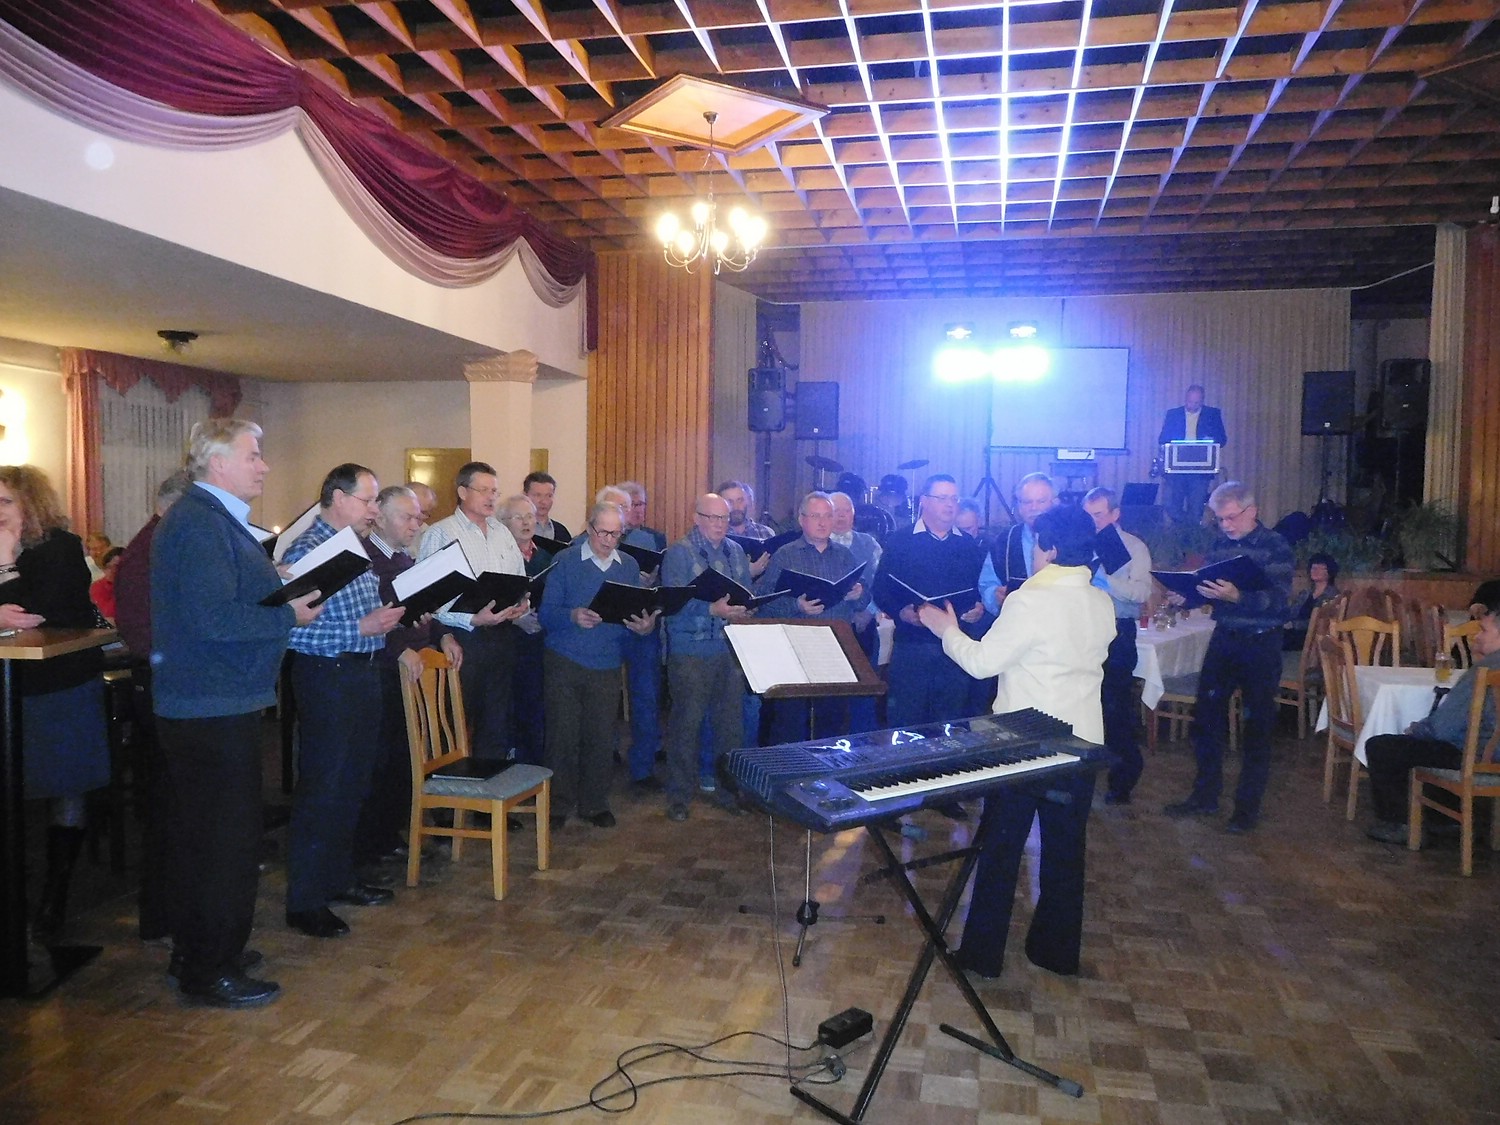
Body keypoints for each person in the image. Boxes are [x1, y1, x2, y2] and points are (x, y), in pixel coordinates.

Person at [152, 419, 322, 1007]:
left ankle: (199, 952)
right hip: (210, 705)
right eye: (254, 455)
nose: (264, 465)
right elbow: (212, 620)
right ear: (218, 462)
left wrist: (273, 582)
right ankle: (211, 968)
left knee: (207, 840)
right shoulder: (200, 523)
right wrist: (288, 615)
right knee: (223, 845)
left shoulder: (210, 519)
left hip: (215, 701)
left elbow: (219, 601)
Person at [916, 505, 1115, 978]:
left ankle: (982, 956)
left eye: (1037, 543)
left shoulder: (1030, 600)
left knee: (1001, 849)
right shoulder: (1099, 601)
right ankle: (1056, 951)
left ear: (1050, 548)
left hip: (1026, 741)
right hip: (1084, 740)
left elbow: (982, 663)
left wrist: (946, 630)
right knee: (1066, 852)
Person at [282, 464, 405, 939]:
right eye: (367, 500)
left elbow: (356, 614)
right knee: (324, 786)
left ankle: (338, 877)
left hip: (361, 672)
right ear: (337, 497)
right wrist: (362, 628)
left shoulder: (354, 546)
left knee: (353, 781)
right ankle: (305, 900)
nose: (374, 509)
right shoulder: (308, 551)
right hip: (327, 676)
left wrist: (385, 620)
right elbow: (295, 631)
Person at [0, 466, 110, 946]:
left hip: (59, 684)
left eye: (5, 501)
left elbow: (30, 615)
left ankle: (55, 897)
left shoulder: (59, 547)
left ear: (32, 503)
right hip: (10, 687)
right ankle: (16, 897)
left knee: (65, 785)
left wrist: (5, 563)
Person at [1163, 481, 1294, 833]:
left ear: (1253, 511)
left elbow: (1280, 602)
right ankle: (1205, 796)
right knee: (1206, 720)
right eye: (1220, 519)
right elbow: (1211, 590)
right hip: (1225, 638)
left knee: (1257, 728)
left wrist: (1239, 597)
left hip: (1261, 643)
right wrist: (1188, 596)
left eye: (1232, 517)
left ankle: (1246, 810)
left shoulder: (1275, 546)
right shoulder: (1220, 545)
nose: (1226, 525)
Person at [357, 485, 463, 874]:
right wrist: (400, 648)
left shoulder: (403, 558)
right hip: (384, 672)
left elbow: (419, 607)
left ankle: (389, 835)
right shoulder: (367, 560)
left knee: (404, 758)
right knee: (381, 761)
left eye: (419, 517)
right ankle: (372, 843)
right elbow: (368, 618)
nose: (416, 524)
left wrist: (443, 634)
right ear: (380, 517)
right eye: (408, 517)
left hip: (413, 671)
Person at [539, 501, 659, 830]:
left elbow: (631, 615)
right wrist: (573, 615)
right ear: (589, 528)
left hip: (607, 661)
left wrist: (644, 626)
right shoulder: (566, 560)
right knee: (562, 735)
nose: (608, 540)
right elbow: (546, 613)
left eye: (616, 534)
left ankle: (594, 803)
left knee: (601, 736)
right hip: (565, 659)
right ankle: (558, 804)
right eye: (602, 532)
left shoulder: (628, 565)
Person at [113, 467, 193, 944]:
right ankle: (164, 917)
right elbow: (148, 633)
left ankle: (168, 914)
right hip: (162, 684)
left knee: (173, 807)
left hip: (165, 680)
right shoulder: (153, 548)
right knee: (169, 808)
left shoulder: (157, 543)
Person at [1364, 590, 1500, 844]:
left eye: (1483, 630)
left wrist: (1417, 729)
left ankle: (1402, 823)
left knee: (1382, 747)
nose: (1477, 636)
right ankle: (1445, 819)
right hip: (1493, 754)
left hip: (1475, 756)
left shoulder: (1483, 672)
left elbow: (1442, 729)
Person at [418, 462, 531, 761]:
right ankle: (447, 787)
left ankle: (490, 785)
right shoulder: (441, 534)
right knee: (455, 721)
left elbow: (518, 579)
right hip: (462, 638)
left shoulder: (502, 533)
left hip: (502, 637)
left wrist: (521, 604)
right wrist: (472, 618)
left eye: (495, 491)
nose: (491, 497)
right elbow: (427, 599)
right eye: (484, 490)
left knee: (497, 720)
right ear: (462, 492)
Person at [660, 493, 752, 821]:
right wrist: (711, 609)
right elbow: (671, 606)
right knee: (687, 725)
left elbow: (746, 594)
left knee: (730, 727)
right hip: (690, 652)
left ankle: (729, 792)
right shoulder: (678, 553)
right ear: (696, 517)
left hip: (729, 649)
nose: (719, 524)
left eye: (724, 518)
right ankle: (679, 797)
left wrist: (745, 609)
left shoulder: (736, 551)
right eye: (712, 518)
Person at [872, 474, 987, 726]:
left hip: (955, 649)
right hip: (912, 647)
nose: (950, 504)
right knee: (905, 724)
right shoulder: (901, 540)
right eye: (942, 498)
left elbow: (978, 588)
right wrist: (901, 612)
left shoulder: (967, 544)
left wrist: (979, 607)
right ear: (924, 501)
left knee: (951, 725)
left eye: (954, 498)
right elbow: (880, 588)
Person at [760, 492, 865, 742]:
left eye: (828, 516)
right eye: (816, 516)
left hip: (836, 648)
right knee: (790, 721)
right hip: (796, 648)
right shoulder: (785, 555)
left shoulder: (845, 555)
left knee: (833, 720)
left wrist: (859, 594)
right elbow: (764, 601)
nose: (823, 522)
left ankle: (830, 765)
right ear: (801, 519)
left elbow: (865, 600)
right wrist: (796, 605)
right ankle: (790, 766)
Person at [1082, 487, 1154, 804]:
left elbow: (1141, 593)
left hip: (1118, 631)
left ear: (1115, 514)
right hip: (1084, 631)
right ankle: (1083, 773)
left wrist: (1104, 580)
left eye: (1098, 515)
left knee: (1115, 709)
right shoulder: (1081, 544)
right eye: (1087, 515)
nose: (1092, 522)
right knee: (1085, 704)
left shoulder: (1134, 547)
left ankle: (1123, 779)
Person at [616, 481, 668, 791]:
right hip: (607, 629)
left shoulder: (653, 539)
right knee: (603, 698)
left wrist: (653, 610)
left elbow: (666, 587)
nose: (634, 511)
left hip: (644, 626)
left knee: (647, 697)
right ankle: (604, 754)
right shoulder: (589, 539)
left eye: (639, 505)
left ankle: (643, 766)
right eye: (627, 505)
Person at [500, 493, 555, 767]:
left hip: (540, 637)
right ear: (503, 523)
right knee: (511, 705)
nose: (526, 522)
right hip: (508, 639)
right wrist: (513, 618)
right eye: (518, 517)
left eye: (530, 516)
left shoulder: (546, 557)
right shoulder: (499, 554)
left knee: (537, 701)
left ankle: (535, 764)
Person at [980, 473, 1057, 612]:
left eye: (1041, 501)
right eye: (1027, 502)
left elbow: (1096, 584)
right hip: (1017, 618)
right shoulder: (1005, 540)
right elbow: (987, 583)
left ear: (1053, 503)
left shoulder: (1071, 537)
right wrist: (994, 596)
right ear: (1019, 506)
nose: (1034, 507)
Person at [1158, 384, 1229, 525]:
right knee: (1173, 506)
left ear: (1202, 401)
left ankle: (1191, 532)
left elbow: (1222, 439)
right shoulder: (1173, 414)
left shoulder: (1212, 414)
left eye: (1196, 402)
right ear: (1185, 399)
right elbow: (1162, 439)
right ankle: (1181, 529)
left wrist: (1210, 439)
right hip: (1176, 470)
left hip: (1200, 470)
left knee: (1196, 509)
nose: (1192, 405)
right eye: (1190, 402)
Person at [1284, 552, 1341, 651]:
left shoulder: (1333, 596)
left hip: (1313, 637)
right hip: (1294, 632)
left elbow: (1322, 622)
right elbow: (1292, 613)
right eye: (1313, 568)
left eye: (1321, 568)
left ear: (1330, 572)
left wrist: (1294, 624)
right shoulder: (1305, 593)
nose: (1315, 571)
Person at [523, 471, 571, 543]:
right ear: (525, 495)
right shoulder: (517, 529)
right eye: (537, 495)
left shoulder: (562, 531)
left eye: (549, 496)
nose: (544, 501)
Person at [89, 546, 124, 621]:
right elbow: (106, 614)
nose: (112, 571)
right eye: (108, 567)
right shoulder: (98, 587)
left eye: (116, 566)